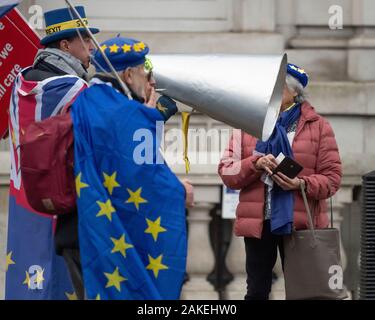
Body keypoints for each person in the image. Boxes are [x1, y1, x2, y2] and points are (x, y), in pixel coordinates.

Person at [69, 36, 190, 299]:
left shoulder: (83, 101)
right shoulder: (131, 114)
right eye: (146, 75)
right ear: (127, 74)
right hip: (116, 234)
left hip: (84, 229)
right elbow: (148, 174)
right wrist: (180, 191)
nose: (152, 83)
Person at [218, 63, 342, 300]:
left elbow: (332, 179)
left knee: (305, 292)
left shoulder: (318, 127)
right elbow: (227, 171)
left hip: (300, 225)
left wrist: (301, 184)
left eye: (279, 86)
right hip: (259, 223)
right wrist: (254, 164)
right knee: (256, 292)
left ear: (295, 92)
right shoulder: (249, 122)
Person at [7, 5, 98, 299]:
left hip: (22, 201)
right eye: (85, 40)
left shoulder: (18, 83)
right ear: (65, 45)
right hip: (63, 204)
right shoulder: (78, 89)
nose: (93, 47)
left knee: (27, 283)